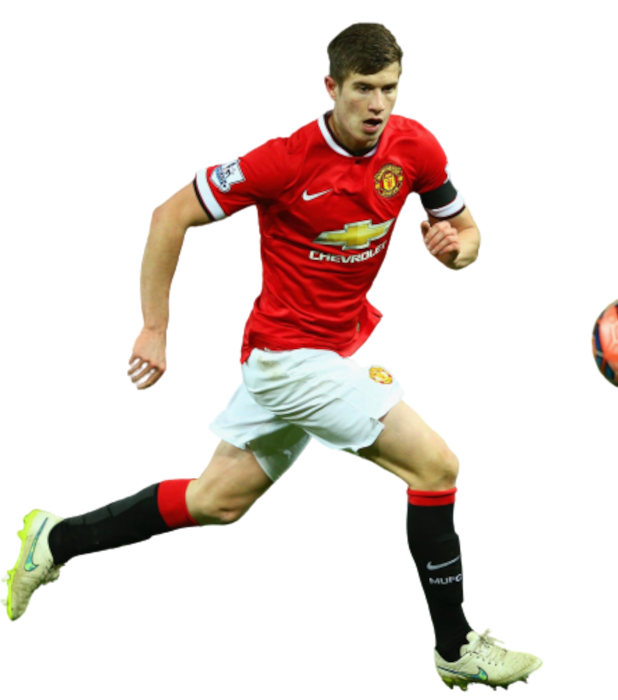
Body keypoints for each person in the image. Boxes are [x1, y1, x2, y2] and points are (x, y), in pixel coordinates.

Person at [1, 21, 541, 691]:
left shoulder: (417, 146)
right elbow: (168, 216)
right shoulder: (283, 160)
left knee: (216, 502)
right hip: (290, 358)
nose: (378, 104)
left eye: (390, 88)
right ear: (331, 88)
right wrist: (154, 328)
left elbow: (466, 229)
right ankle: (456, 650)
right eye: (364, 88)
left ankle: (54, 539)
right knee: (437, 466)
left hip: (320, 353)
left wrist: (458, 252)